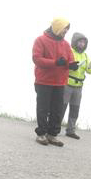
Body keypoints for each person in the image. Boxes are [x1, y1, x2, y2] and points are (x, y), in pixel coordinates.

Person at [32, 18, 79, 146]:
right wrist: (55, 62)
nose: (66, 31)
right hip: (43, 81)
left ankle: (52, 135)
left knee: (57, 110)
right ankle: (41, 134)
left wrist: (72, 65)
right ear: (57, 27)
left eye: (67, 29)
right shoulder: (40, 40)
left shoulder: (66, 44)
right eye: (65, 28)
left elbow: (70, 60)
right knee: (43, 108)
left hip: (59, 82)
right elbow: (37, 59)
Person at [61, 32, 91, 139]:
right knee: (62, 107)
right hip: (67, 83)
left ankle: (71, 130)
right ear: (75, 42)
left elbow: (90, 71)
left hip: (79, 86)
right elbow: (63, 65)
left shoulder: (85, 56)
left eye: (84, 43)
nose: (82, 44)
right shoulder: (69, 52)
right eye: (80, 42)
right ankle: (55, 127)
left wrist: (90, 67)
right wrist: (71, 67)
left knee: (75, 108)